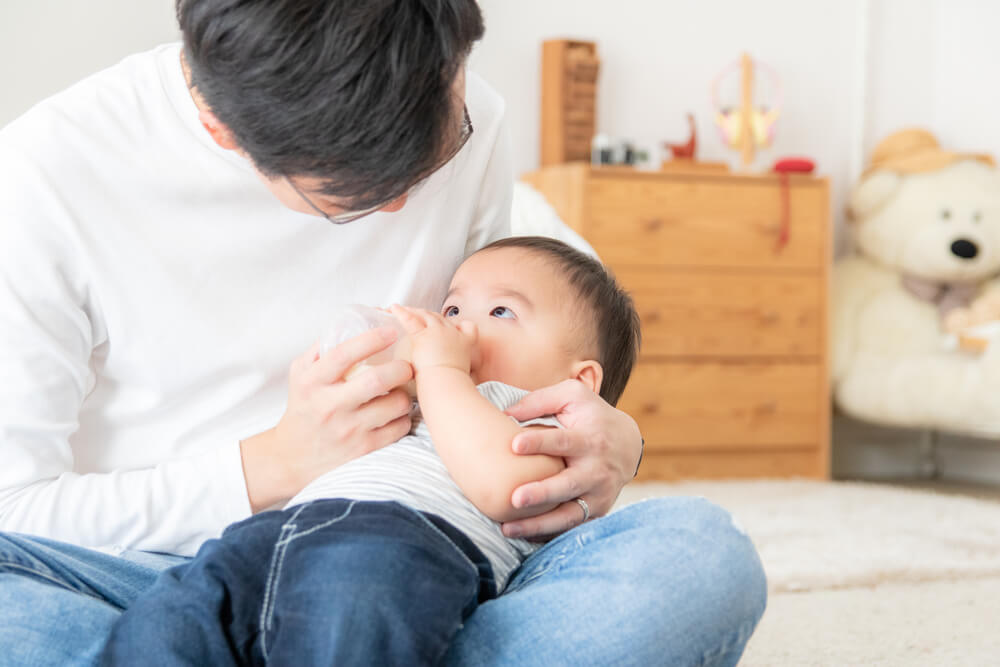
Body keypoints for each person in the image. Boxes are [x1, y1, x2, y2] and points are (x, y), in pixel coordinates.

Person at [0, 2, 766, 665]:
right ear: (222, 132)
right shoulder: (45, 177)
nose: (408, 208)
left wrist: (614, 435)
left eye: (436, 158)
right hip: (162, 570)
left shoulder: (468, 114)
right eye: (354, 198)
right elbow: (15, 507)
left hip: (419, 556)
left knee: (701, 559)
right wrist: (268, 466)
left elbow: (534, 326)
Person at [103, 236, 640, 665]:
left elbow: (508, 489)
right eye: (452, 308)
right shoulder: (423, 396)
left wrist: (442, 371)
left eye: (502, 312)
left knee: (352, 620)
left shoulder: (544, 419)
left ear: (581, 380)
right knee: (166, 618)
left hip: (399, 548)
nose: (461, 327)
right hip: (270, 538)